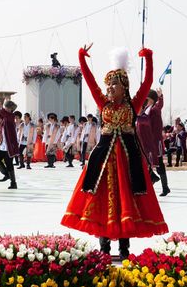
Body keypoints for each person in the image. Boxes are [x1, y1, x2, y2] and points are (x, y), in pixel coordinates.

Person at [61, 44, 168, 259]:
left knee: (127, 201)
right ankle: (104, 249)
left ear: (124, 88)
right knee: (101, 200)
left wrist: (148, 58)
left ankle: (124, 250)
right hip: (103, 161)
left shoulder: (133, 105)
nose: (108, 89)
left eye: (113, 86)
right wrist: (81, 57)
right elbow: (90, 83)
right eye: (108, 85)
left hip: (128, 162)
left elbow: (148, 83)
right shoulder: (103, 104)